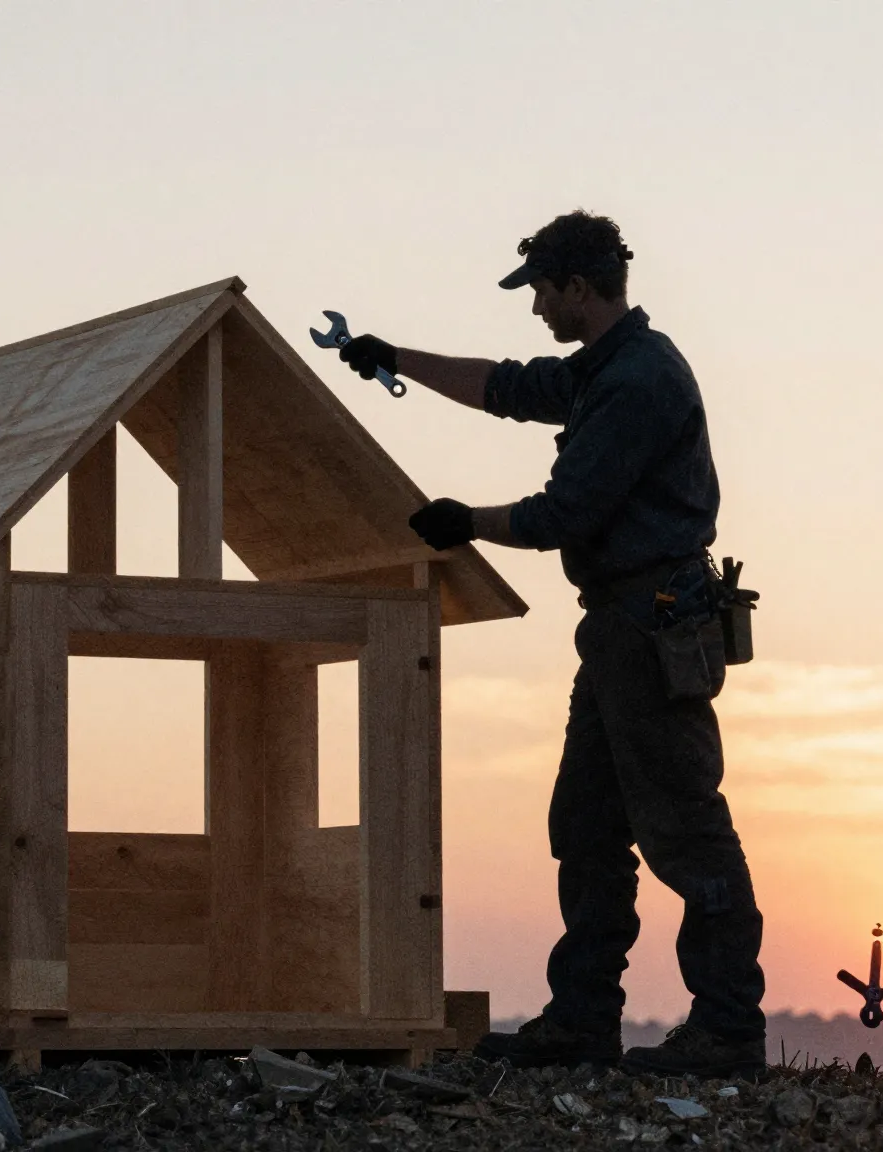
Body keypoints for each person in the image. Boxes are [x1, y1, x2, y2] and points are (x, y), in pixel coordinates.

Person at [335, 210, 767, 1079]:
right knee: (586, 826)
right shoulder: (600, 371)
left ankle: (727, 1031)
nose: (534, 306)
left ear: (578, 286)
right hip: (617, 629)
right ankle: (582, 1022)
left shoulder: (639, 382)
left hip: (653, 625)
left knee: (686, 831)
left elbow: (567, 511)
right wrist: (394, 360)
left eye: (540, 289)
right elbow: (508, 387)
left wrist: (468, 522)